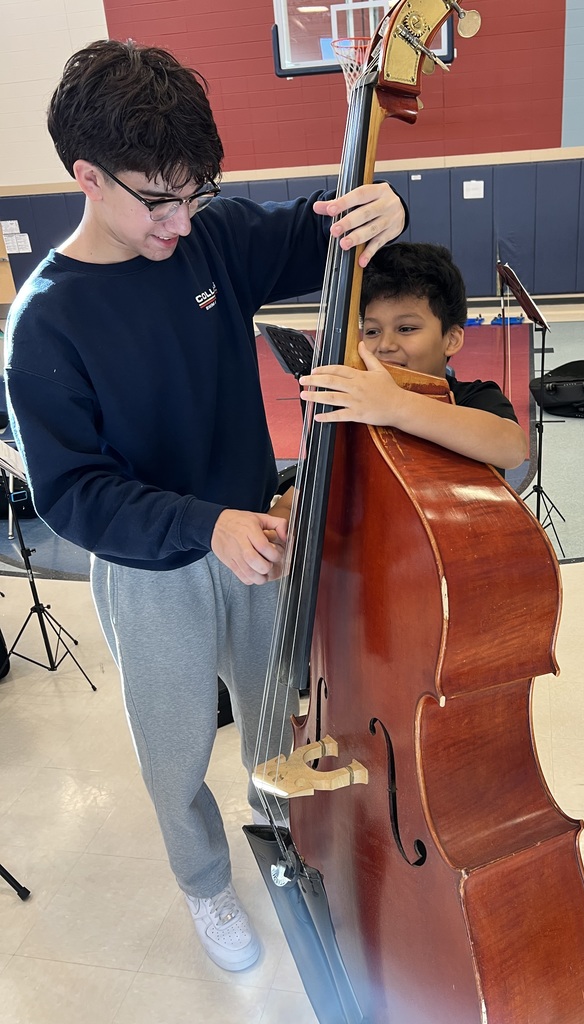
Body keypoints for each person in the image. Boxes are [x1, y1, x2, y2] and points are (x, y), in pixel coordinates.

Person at [4, 39, 406, 973]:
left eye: (196, 194)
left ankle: (284, 839)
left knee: (277, 718)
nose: (182, 222)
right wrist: (201, 525)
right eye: (159, 201)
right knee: (176, 749)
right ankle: (205, 884)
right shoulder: (47, 322)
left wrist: (385, 207)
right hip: (152, 571)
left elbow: (320, 229)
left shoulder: (209, 237)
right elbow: (74, 495)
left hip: (257, 538)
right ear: (88, 177)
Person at [299, 241, 528, 470]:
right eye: (372, 331)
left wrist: (396, 405)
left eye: (406, 328)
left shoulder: (473, 397)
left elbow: (512, 448)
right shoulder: (355, 408)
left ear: (451, 339)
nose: (385, 345)